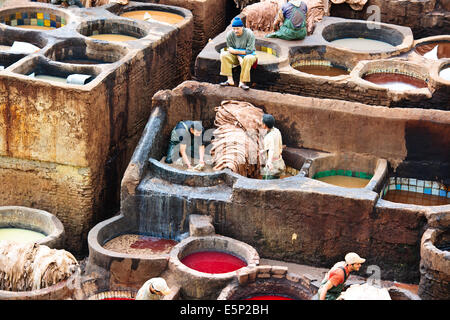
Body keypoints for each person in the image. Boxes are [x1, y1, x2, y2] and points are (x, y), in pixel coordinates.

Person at [219, 17, 257, 90]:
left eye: (237, 28)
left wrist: (236, 52)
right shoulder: (230, 35)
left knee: (247, 58)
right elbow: (230, 49)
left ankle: (242, 82)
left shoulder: (249, 34)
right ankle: (230, 80)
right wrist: (239, 58)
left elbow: (249, 51)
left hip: (250, 55)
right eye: (234, 29)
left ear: (242, 27)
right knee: (223, 55)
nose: (235, 31)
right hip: (236, 56)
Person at [260, 114, 285, 179]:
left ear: (265, 125)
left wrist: (269, 161)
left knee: (267, 184)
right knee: (275, 180)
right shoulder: (277, 131)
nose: (261, 123)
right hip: (279, 162)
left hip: (272, 165)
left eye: (262, 122)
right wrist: (263, 150)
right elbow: (277, 144)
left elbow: (271, 149)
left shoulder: (268, 137)